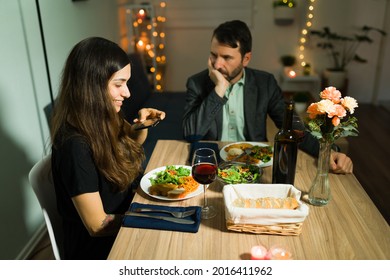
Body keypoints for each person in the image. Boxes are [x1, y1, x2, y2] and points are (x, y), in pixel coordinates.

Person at [182, 20, 353, 174]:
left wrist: (328, 151)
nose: (217, 64)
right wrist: (219, 89)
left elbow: (292, 127)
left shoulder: (265, 83)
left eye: (227, 57)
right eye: (214, 55)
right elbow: (190, 133)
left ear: (246, 59)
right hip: (213, 164)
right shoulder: (196, 83)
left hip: (254, 164)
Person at [50, 37, 165, 259]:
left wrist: (141, 126)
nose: (127, 93)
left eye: (127, 83)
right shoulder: (74, 144)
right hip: (101, 250)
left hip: (126, 214)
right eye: (119, 84)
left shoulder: (102, 115)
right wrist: (155, 217)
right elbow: (98, 225)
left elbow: (128, 144)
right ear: (92, 85)